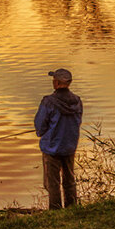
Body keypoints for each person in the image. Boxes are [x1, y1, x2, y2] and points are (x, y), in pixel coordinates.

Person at [34, 68, 83, 210]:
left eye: (54, 80)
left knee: (52, 182)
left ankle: (55, 210)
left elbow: (40, 126)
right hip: (69, 146)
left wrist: (43, 132)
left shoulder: (48, 102)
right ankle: (72, 207)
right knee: (69, 179)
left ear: (56, 83)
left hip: (52, 148)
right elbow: (77, 122)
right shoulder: (77, 101)